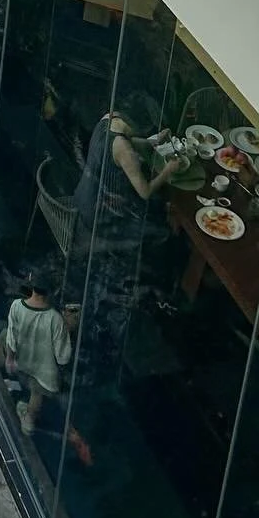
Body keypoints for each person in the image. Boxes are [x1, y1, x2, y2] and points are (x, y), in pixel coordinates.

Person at [71, 110, 181, 375]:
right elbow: (144, 191)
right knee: (161, 231)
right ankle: (160, 282)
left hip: (85, 197)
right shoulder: (125, 150)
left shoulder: (107, 120)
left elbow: (131, 142)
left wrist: (153, 140)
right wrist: (169, 169)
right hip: (104, 214)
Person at [0, 268, 78, 434]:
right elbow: (63, 358)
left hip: (19, 358)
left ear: (32, 287)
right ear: (52, 292)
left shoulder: (17, 306)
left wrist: (10, 359)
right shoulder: (55, 318)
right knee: (41, 385)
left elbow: (11, 337)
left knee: (4, 336)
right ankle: (29, 420)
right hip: (40, 370)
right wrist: (69, 328)